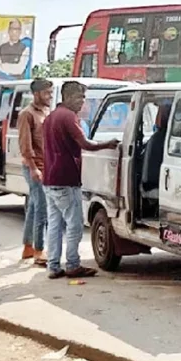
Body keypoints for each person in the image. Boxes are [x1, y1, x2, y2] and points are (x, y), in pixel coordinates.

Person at [42, 81, 119, 279]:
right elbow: (86, 143)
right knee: (74, 224)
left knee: (55, 224)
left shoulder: (50, 117)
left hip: (50, 179)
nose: (82, 102)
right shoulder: (68, 117)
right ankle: (73, 265)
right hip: (66, 178)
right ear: (67, 97)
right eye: (79, 97)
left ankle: (53, 266)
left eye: (83, 98)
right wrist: (108, 144)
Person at [18, 78, 53, 265]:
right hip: (34, 166)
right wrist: (33, 168)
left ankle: (28, 247)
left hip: (45, 165)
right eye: (47, 93)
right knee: (42, 208)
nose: (50, 96)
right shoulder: (27, 114)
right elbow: (25, 144)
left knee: (33, 207)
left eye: (51, 92)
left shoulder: (47, 112)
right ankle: (39, 250)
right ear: (37, 94)